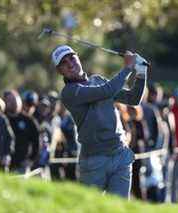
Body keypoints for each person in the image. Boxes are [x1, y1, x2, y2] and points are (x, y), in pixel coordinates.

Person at [51, 44, 147, 199]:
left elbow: (133, 98)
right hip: (93, 161)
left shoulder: (98, 79)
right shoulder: (69, 92)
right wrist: (128, 68)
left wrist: (141, 71)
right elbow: (106, 91)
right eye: (64, 63)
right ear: (59, 71)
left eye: (71, 58)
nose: (70, 63)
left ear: (78, 58)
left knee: (118, 209)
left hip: (120, 154)